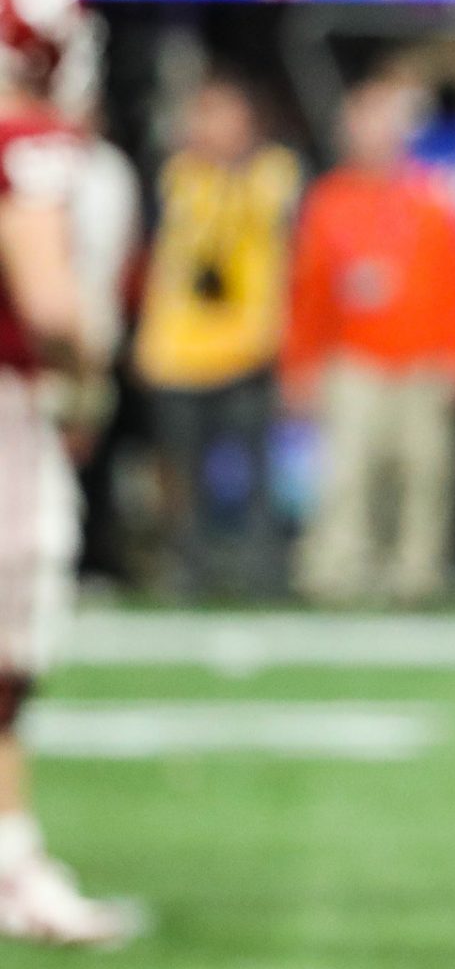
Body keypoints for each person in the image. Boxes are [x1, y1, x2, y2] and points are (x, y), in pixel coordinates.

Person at [0, 0, 133, 945]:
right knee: (7, 662)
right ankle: (14, 865)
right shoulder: (29, 140)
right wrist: (93, 360)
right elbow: (48, 305)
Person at [282, 70, 455, 605]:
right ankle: (337, 572)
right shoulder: (328, 200)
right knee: (347, 475)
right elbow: (308, 293)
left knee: (426, 477)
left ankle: (418, 575)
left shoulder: (435, 197)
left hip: (426, 360)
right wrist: (300, 365)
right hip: (353, 361)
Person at [133, 75, 301, 597]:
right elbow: (156, 259)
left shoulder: (274, 172)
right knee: (181, 476)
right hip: (177, 350)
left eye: (223, 114)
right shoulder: (175, 176)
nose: (210, 127)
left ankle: (260, 574)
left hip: (249, 345)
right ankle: (187, 572)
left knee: (255, 472)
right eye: (203, 115)